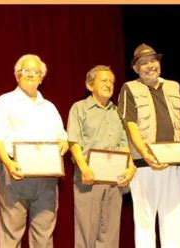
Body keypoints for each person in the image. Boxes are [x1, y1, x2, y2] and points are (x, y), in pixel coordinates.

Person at [117, 43, 180, 248]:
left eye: (153, 61)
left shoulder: (173, 86)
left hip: (172, 163)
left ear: (159, 63)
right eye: (143, 63)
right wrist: (146, 154)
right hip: (144, 165)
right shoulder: (129, 88)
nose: (149, 66)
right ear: (136, 68)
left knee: (175, 218)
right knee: (145, 221)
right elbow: (131, 125)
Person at [0, 54, 68, 247]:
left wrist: (63, 143)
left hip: (46, 178)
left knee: (44, 234)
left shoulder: (49, 107)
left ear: (42, 78)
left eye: (36, 72)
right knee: (11, 233)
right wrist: (8, 163)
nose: (30, 75)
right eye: (25, 70)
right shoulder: (4, 102)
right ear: (16, 75)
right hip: (14, 173)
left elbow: (62, 136)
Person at [67, 65, 136, 248]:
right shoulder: (79, 108)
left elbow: (125, 145)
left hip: (115, 180)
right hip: (88, 177)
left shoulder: (118, 112)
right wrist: (84, 168)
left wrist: (130, 169)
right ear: (90, 85)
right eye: (104, 80)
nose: (109, 84)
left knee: (110, 233)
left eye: (112, 81)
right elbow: (74, 142)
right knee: (87, 232)